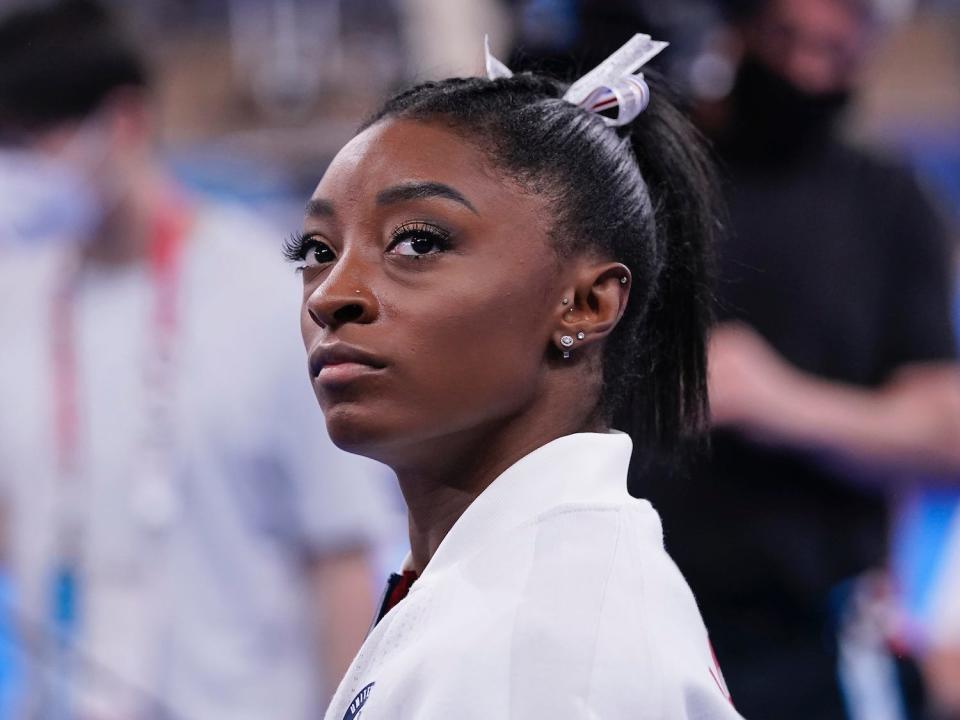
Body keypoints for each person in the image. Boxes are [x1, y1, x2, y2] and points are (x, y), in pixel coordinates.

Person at [285, 34, 743, 719]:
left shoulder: (541, 647)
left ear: (586, 304)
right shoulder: (500, 596)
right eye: (318, 251)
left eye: (418, 242)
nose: (329, 295)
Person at [0, 2, 392, 718]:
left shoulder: (267, 302)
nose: (14, 173)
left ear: (121, 123)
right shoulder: (17, 300)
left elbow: (338, 554)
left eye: (31, 143)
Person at [636, 0, 960, 718]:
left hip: (810, 636)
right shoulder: (653, 176)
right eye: (787, 40)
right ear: (742, 28)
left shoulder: (888, 204)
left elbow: (945, 434)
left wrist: (777, 402)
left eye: (835, 53)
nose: (808, 71)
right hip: (636, 615)